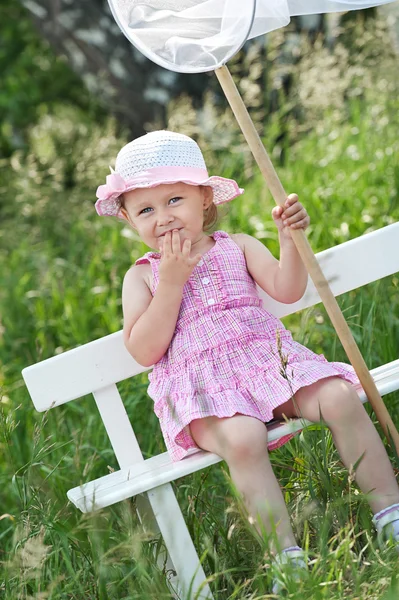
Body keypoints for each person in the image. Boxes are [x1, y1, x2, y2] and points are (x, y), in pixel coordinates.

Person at [95, 130, 399, 591]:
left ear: (203, 199)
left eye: (174, 199)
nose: (163, 218)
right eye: (145, 210)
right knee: (242, 437)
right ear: (128, 219)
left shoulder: (237, 245)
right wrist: (173, 281)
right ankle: (287, 560)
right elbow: (144, 350)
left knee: (339, 397)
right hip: (202, 392)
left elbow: (287, 288)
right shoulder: (143, 276)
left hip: (267, 366)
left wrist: (288, 237)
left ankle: (390, 514)